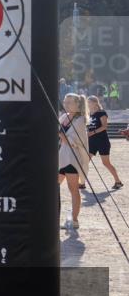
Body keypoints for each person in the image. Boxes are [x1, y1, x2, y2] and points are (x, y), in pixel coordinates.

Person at [58, 93, 90, 230]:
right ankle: (55, 217)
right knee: (52, 187)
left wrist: (59, 134)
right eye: (65, 102)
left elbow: (74, 142)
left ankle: (75, 219)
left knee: (73, 189)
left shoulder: (80, 120)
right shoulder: (64, 117)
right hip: (61, 157)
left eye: (69, 102)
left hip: (73, 159)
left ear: (78, 104)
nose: (66, 104)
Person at [86, 96, 123, 190]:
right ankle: (81, 182)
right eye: (88, 102)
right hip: (91, 142)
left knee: (106, 163)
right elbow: (90, 127)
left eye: (90, 102)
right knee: (85, 162)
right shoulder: (90, 114)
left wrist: (92, 132)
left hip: (102, 141)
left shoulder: (102, 113)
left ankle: (118, 181)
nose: (88, 104)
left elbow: (104, 126)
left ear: (95, 103)